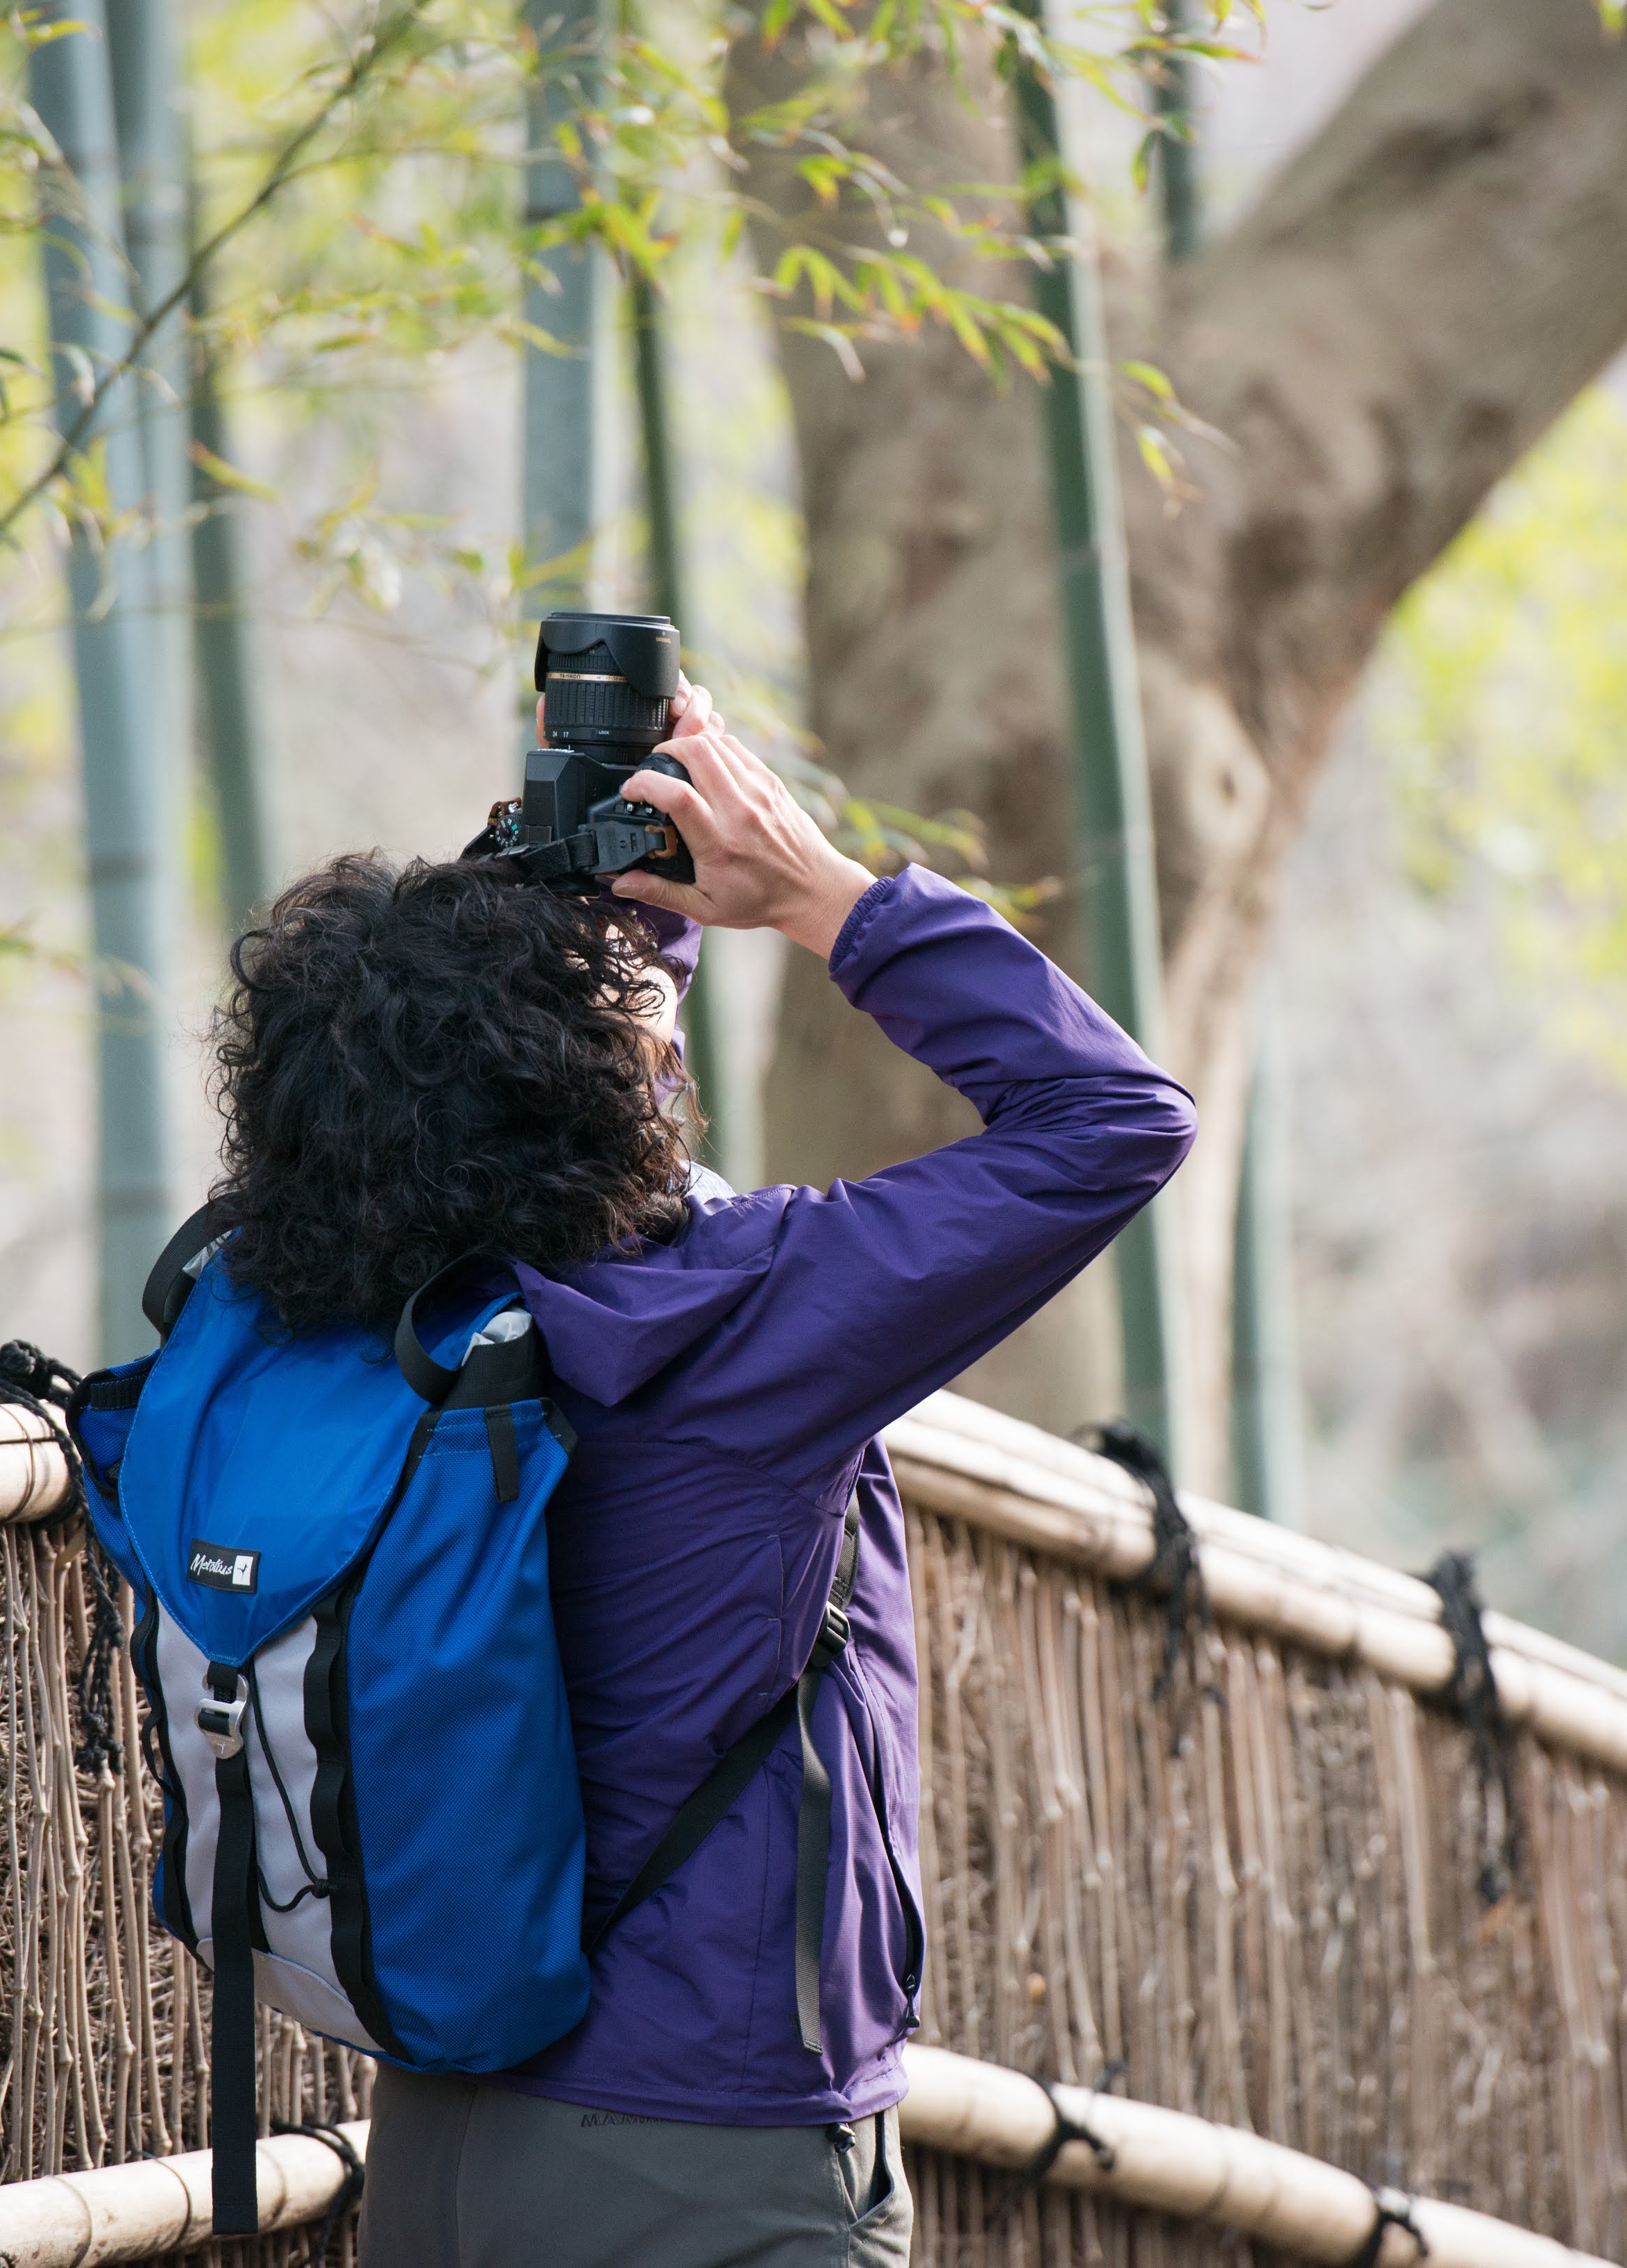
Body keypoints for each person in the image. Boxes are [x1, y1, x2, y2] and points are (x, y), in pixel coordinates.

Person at [205, 687, 1193, 2267]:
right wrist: (819, 890)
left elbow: (528, 1094)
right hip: (704, 2148)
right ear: (621, 1083)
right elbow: (1110, 1117)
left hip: (453, 2128)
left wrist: (598, 860)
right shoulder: (738, 1322)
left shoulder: (336, 1300)